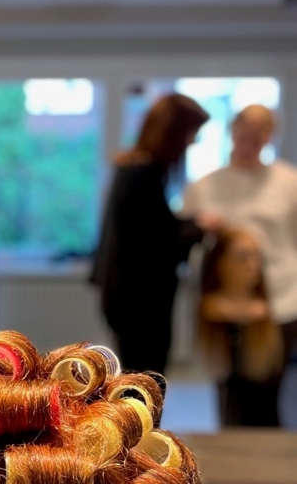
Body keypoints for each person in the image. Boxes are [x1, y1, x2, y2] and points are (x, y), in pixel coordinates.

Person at [92, 92, 218, 374]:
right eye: (190, 134)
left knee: (137, 377)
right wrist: (198, 228)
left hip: (130, 299)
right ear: (173, 134)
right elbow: (155, 245)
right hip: (142, 304)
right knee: (145, 381)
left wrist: (190, 222)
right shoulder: (144, 175)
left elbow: (151, 228)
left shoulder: (133, 170)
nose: (192, 142)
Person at [183, 104, 297, 363]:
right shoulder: (204, 186)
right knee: (227, 380)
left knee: (269, 381)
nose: (247, 145)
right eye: (242, 136)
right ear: (232, 132)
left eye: (257, 138)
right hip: (224, 298)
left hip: (281, 296)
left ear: (270, 136)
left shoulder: (290, 183)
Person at [198, 227, 285, 427]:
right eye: (243, 257)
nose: (253, 265)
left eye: (257, 257)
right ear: (220, 263)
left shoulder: (266, 314)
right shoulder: (212, 309)